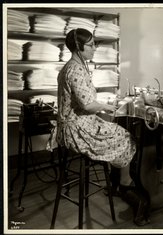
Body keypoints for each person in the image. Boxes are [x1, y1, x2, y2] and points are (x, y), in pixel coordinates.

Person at [55, 28, 136, 190]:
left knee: (113, 127)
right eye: (91, 45)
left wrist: (104, 107)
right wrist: (108, 107)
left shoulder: (70, 67)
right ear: (79, 47)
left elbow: (82, 99)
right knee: (126, 135)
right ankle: (124, 181)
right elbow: (88, 105)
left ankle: (116, 178)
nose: (94, 48)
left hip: (71, 126)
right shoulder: (76, 70)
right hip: (77, 131)